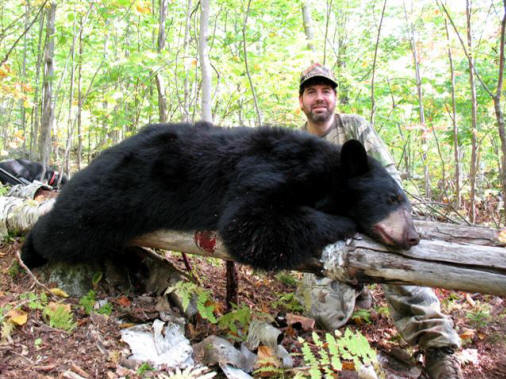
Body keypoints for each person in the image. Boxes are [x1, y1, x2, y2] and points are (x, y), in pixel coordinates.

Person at [296, 63, 463, 379]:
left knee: (403, 266)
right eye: (312, 92)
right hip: (328, 237)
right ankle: (355, 296)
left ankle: (438, 349)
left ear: (335, 98)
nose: (320, 98)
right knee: (322, 312)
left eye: (326, 91)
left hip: (371, 223)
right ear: (302, 101)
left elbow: (391, 183)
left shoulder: (355, 129)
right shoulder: (297, 143)